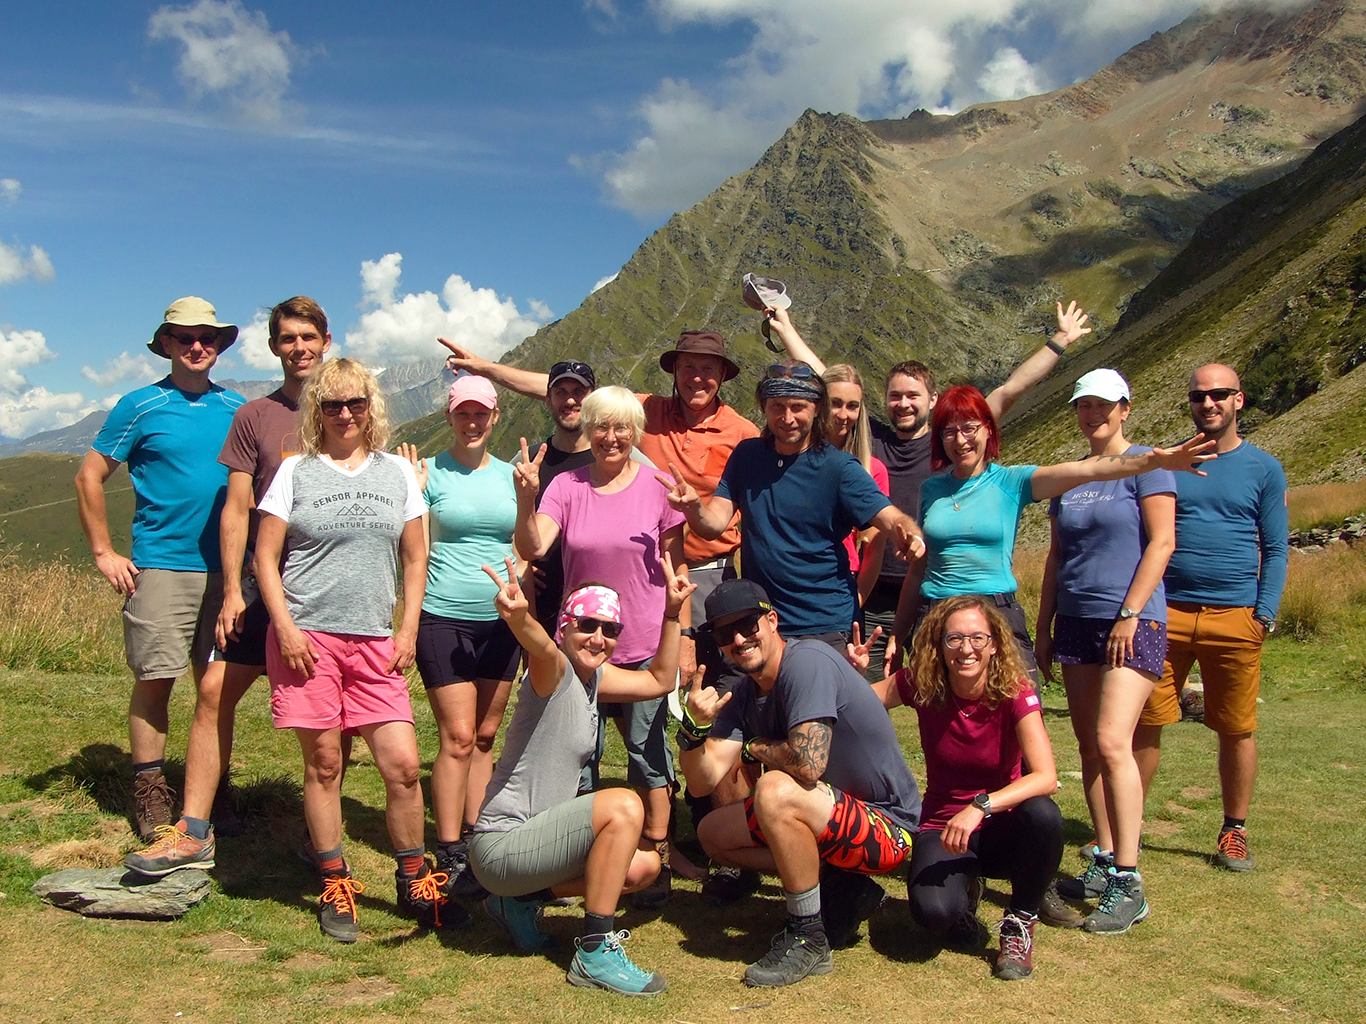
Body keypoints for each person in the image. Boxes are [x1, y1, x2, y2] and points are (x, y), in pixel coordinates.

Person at [764, 301, 1092, 674]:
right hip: (872, 592)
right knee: (867, 693)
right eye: (895, 396)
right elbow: (828, 381)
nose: (903, 404)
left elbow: (1009, 391)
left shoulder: (949, 445)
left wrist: (1059, 341)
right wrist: (786, 330)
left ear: (932, 401)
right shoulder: (874, 441)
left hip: (928, 592)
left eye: (912, 396)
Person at [123, 296, 332, 875]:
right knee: (214, 693)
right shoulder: (254, 417)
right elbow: (236, 509)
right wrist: (235, 591)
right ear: (274, 347)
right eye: (288, 338)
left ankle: (323, 842)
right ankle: (194, 828)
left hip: (320, 589)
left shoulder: (345, 409)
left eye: (308, 337)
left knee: (320, 720)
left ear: (325, 342)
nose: (299, 348)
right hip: (256, 586)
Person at [253, 358, 451, 941]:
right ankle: (335, 880)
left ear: (371, 408)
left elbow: (415, 557)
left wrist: (408, 629)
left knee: (404, 767)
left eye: (355, 404)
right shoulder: (295, 472)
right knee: (325, 765)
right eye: (332, 405)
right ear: (317, 410)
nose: (344, 414)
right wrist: (285, 628)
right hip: (306, 640)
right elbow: (266, 557)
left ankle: (415, 877)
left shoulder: (396, 474)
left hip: (375, 642)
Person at [678, 579, 923, 989]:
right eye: (725, 633)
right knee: (712, 834)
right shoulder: (742, 693)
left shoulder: (807, 662)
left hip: (887, 830)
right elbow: (703, 783)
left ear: (772, 621)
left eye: (748, 625)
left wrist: (754, 746)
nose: (739, 639)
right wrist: (692, 730)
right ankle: (836, 885)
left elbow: (808, 767)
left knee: (774, 789)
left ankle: (808, 936)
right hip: (830, 818)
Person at [469, 559, 693, 996]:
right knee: (625, 804)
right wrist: (519, 619)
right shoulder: (552, 672)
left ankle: (519, 901)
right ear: (565, 628)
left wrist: (671, 614)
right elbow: (540, 646)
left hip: (540, 848)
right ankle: (594, 951)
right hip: (501, 845)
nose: (599, 638)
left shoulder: (595, 678)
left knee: (644, 866)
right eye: (587, 624)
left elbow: (661, 680)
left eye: (610, 630)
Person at [888, 383, 1216, 677]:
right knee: (942, 724)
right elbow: (919, 570)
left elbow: (1090, 469)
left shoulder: (1012, 481)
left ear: (989, 429)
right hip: (936, 615)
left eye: (970, 428)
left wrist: (1154, 462)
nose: (960, 440)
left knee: (1020, 717)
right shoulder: (931, 490)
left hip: (996, 612)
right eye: (949, 431)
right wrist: (897, 635)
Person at [74, 297, 245, 842]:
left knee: (217, 687)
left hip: (227, 574)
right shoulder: (140, 405)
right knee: (156, 679)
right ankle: (150, 790)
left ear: (218, 347)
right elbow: (88, 476)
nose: (198, 346)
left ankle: (209, 793)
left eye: (208, 338)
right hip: (163, 566)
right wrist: (104, 553)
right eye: (186, 337)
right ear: (166, 344)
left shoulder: (238, 408)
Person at [513, 386, 689, 908]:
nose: (612, 438)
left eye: (622, 428)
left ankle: (656, 861)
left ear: (636, 432)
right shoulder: (565, 485)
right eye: (601, 427)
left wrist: (683, 632)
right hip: (584, 650)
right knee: (579, 756)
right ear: (586, 431)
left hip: (642, 641)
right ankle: (583, 860)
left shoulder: (659, 487)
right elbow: (534, 546)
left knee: (649, 755)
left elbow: (675, 568)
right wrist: (526, 498)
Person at [1034, 369, 1176, 932]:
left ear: (1125, 409)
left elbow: (1162, 542)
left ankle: (1128, 879)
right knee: (1091, 746)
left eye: (1101, 405)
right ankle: (1103, 855)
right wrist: (1043, 627)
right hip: (1075, 619)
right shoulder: (1075, 476)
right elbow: (1055, 558)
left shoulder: (1148, 463)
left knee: (1115, 742)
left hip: (1131, 622)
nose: (1091, 414)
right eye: (1083, 406)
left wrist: (1130, 613)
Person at [1133, 364, 1288, 872]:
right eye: (1199, 395)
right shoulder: (1171, 462)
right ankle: (1123, 829)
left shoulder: (1264, 468)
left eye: (1219, 394)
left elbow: (1277, 548)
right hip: (1167, 613)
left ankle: (1234, 830)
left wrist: (1262, 614)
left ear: (1238, 400)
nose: (1209, 403)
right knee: (1145, 723)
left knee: (1237, 728)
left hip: (1235, 616)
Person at [660, 364, 925, 648]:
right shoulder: (746, 457)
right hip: (763, 623)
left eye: (798, 407)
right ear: (764, 408)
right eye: (778, 407)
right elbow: (712, 525)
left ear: (816, 409)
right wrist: (694, 507)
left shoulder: (839, 468)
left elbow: (889, 517)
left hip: (825, 624)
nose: (787, 418)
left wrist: (910, 536)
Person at [867, 595, 1061, 981]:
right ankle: (965, 895)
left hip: (1000, 826)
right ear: (938, 644)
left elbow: (1046, 776)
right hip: (943, 826)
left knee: (1043, 815)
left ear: (994, 644)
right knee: (933, 914)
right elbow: (859, 706)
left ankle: (1020, 922)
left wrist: (981, 806)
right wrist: (855, 679)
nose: (966, 649)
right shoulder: (922, 684)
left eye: (977, 638)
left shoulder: (1014, 691)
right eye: (953, 638)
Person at [409, 373, 523, 900]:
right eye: (463, 414)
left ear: (495, 417)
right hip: (444, 616)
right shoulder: (428, 473)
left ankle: (478, 841)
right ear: (449, 417)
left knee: (483, 737)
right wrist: (407, 487)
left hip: (504, 621)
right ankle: (450, 847)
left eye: (481, 414)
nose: (472, 423)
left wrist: (529, 505)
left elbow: (529, 539)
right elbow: (405, 541)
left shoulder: (512, 475)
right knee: (456, 737)